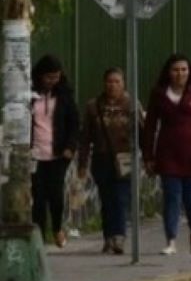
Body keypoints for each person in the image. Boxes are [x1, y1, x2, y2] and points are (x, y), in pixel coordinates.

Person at [144, 53, 191, 256]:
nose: (180, 73)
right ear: (168, 72)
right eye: (176, 70)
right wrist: (148, 156)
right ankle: (171, 240)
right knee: (171, 198)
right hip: (167, 155)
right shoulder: (158, 94)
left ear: (189, 71)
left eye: (184, 69)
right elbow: (149, 126)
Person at [77, 68, 142, 255]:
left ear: (123, 84)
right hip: (101, 158)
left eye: (117, 82)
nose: (113, 85)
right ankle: (108, 237)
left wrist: (148, 158)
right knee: (107, 199)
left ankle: (119, 236)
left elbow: (142, 132)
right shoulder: (93, 106)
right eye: (109, 82)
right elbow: (85, 138)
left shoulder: (131, 105)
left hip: (124, 159)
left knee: (121, 198)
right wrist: (82, 164)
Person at [30, 54, 80, 248]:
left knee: (56, 195)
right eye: (49, 77)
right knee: (39, 198)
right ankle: (40, 238)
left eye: (56, 77)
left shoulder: (64, 96)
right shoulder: (29, 94)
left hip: (58, 154)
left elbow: (74, 124)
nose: (53, 81)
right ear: (40, 76)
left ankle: (57, 227)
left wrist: (70, 147)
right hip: (34, 154)